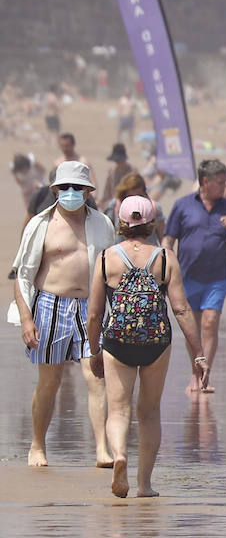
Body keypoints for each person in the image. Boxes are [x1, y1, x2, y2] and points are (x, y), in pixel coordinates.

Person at [87, 196, 207, 497]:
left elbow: (94, 313)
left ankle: (120, 455)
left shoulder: (105, 259)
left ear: (121, 222)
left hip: (118, 342)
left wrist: (94, 350)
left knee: (117, 409)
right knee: (150, 411)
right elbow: (181, 310)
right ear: (151, 222)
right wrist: (199, 353)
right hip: (156, 343)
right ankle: (144, 485)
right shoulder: (165, 257)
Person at [10, 161, 115, 467]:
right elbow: (24, 275)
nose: (71, 193)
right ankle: (37, 446)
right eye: (66, 187)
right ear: (56, 190)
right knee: (49, 381)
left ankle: (101, 449)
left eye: (78, 188)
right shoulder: (41, 225)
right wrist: (26, 319)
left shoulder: (102, 224)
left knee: (97, 378)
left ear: (87, 191)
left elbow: (110, 271)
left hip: (90, 307)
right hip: (49, 306)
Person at [161, 159, 226, 394]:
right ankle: (195, 371)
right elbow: (169, 239)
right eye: (220, 182)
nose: (225, 186)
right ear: (205, 182)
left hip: (217, 278)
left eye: (225, 181)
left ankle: (205, 375)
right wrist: (166, 260)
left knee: (211, 322)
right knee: (193, 329)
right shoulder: (182, 206)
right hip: (187, 276)